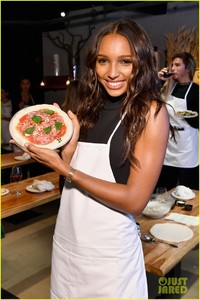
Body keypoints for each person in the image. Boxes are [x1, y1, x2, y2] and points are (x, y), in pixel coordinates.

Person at [11, 19, 169, 298]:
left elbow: (135, 200)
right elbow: (71, 190)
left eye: (125, 62)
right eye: (103, 61)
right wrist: (67, 158)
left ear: (141, 63)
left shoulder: (150, 113)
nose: (112, 72)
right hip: (68, 248)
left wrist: (65, 169)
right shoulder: (87, 107)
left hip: (110, 260)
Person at [157, 52, 199, 190]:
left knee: (188, 189)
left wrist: (192, 117)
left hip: (187, 145)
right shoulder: (168, 86)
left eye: (177, 65)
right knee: (165, 186)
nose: (172, 68)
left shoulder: (196, 91)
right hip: (169, 143)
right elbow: (151, 98)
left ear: (187, 68)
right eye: (172, 65)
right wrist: (160, 81)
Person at [1, 87, 13, 153]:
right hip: (2, 130)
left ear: (7, 93)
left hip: (9, 129)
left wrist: (4, 118)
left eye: (2, 92)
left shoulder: (12, 103)